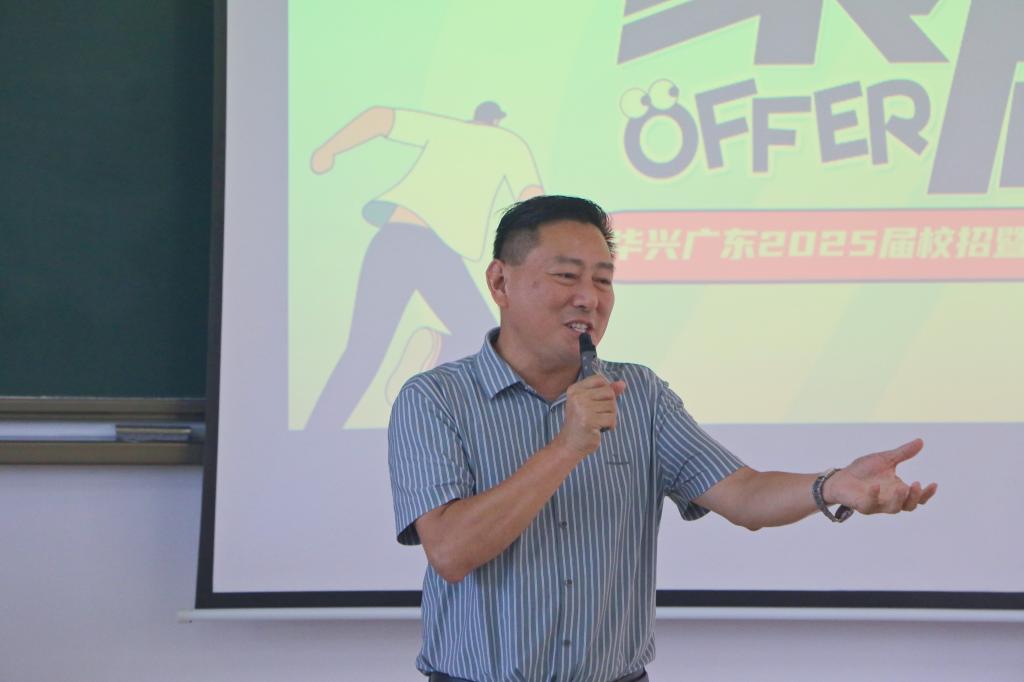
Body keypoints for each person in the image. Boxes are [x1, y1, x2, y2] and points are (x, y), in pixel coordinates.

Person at [388, 195, 937, 682]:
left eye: (603, 280)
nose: (589, 298)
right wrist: (566, 447)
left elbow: (743, 494)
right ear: (499, 282)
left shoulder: (640, 394)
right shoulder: (435, 399)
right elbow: (451, 552)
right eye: (566, 276)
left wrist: (831, 486)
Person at [306, 102, 543, 431]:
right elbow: (534, 199)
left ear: (474, 118)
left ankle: (315, 434)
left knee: (363, 350)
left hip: (391, 239)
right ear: (497, 122)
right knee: (491, 343)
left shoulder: (447, 129)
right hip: (432, 249)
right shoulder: (509, 143)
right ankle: (437, 346)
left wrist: (327, 151)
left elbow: (380, 117)